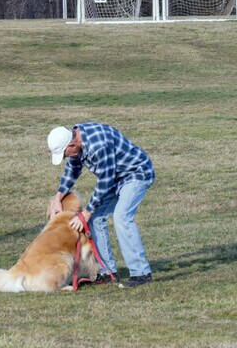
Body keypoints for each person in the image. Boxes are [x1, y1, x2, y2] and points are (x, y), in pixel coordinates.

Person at [46, 122, 155, 289]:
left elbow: (106, 180)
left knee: (122, 217)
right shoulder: (76, 141)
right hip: (116, 177)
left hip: (136, 173)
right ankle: (108, 272)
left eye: (65, 153)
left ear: (72, 144)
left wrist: (87, 211)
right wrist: (57, 198)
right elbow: (72, 170)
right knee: (95, 220)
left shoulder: (98, 145)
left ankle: (141, 273)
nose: (66, 157)